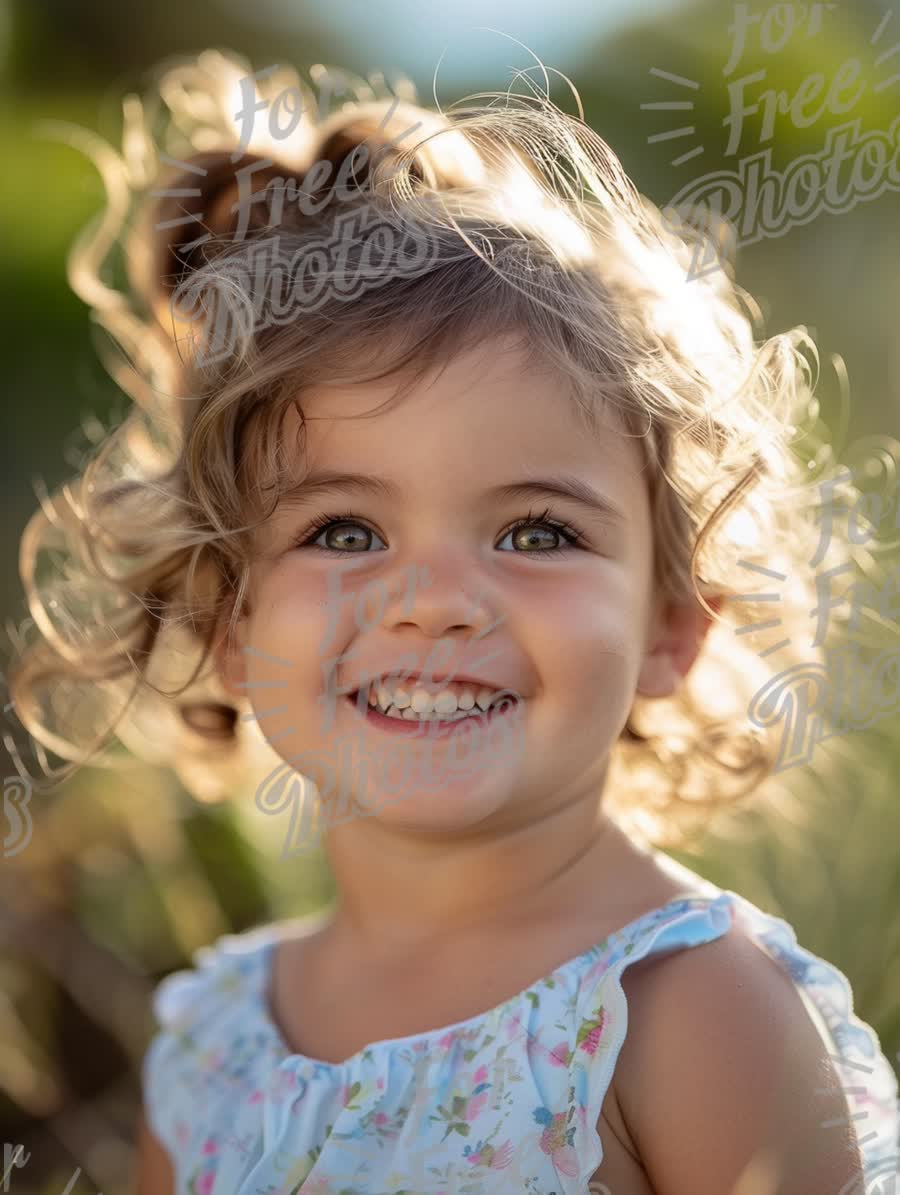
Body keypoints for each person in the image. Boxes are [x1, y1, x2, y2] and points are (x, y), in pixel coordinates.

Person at [7, 47, 898, 1195]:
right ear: (228, 620)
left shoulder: (684, 1012)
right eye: (342, 531)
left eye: (535, 532)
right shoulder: (215, 1044)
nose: (431, 601)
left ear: (672, 624)